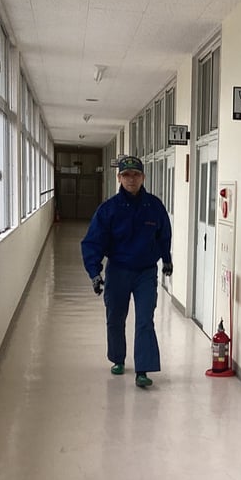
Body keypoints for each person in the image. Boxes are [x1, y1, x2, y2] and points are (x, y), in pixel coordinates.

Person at [81, 155, 173, 388]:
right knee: (115, 317)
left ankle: (143, 369)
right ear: (119, 178)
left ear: (143, 177)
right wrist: (94, 273)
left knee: (145, 319)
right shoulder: (109, 209)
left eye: (136, 175)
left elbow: (164, 235)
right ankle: (118, 358)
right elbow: (92, 242)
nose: (131, 179)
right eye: (126, 175)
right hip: (118, 271)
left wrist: (167, 259)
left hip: (145, 272)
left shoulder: (154, 206)